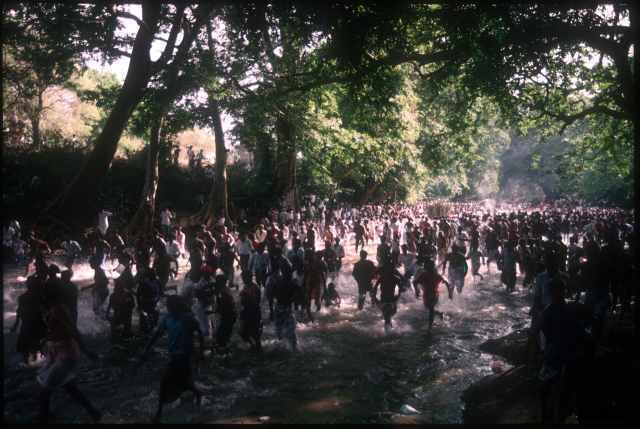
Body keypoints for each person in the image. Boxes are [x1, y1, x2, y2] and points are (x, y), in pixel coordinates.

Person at [37, 285, 101, 423]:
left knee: (45, 390)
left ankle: (44, 418)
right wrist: (46, 342)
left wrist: (86, 351)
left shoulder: (59, 309)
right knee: (69, 387)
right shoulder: (51, 308)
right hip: (56, 352)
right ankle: (93, 412)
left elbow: (73, 330)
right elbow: (54, 330)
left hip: (66, 353)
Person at [140, 295, 204, 423]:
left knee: (165, 381)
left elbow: (200, 333)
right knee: (184, 383)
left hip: (184, 357)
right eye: (168, 307)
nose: (168, 309)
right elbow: (157, 334)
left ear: (177, 307)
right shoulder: (167, 319)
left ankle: (158, 414)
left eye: (170, 307)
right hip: (174, 355)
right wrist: (146, 349)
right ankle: (198, 395)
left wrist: (199, 353)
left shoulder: (187, 319)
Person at [11, 276, 47, 365]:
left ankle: (28, 361)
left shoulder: (23, 297)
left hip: (27, 323)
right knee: (37, 343)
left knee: (26, 345)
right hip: (37, 322)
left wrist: (16, 324)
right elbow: (45, 311)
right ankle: (36, 360)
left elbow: (19, 311)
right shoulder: (40, 297)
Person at [413, 260, 449, 331]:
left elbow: (446, 282)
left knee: (431, 309)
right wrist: (417, 291)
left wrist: (417, 291)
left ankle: (430, 327)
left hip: (434, 294)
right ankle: (439, 314)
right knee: (429, 308)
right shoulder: (425, 274)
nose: (426, 267)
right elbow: (415, 282)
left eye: (427, 266)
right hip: (427, 294)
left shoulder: (434, 275)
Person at [374, 258, 402, 331]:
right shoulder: (383, 278)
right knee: (388, 316)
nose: (388, 270)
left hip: (390, 299)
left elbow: (401, 289)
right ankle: (388, 333)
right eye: (387, 269)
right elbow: (375, 287)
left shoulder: (394, 278)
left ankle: (388, 332)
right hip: (385, 299)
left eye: (390, 268)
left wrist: (397, 298)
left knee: (388, 316)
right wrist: (374, 297)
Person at [106, 278, 136, 343]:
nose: (117, 288)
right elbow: (133, 305)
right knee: (122, 331)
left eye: (118, 286)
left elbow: (132, 305)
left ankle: (119, 337)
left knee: (122, 331)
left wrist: (107, 314)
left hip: (123, 315)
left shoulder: (125, 295)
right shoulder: (114, 295)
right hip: (122, 315)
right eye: (117, 286)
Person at [214, 275, 237, 349]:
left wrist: (215, 311)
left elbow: (223, 307)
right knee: (225, 336)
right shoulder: (226, 290)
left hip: (228, 316)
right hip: (231, 315)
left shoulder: (223, 293)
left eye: (217, 282)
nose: (215, 283)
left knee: (221, 337)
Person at [239, 280, 263, 352]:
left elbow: (256, 300)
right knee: (244, 332)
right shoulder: (247, 287)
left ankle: (256, 347)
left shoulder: (254, 288)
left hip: (252, 311)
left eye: (244, 277)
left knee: (253, 331)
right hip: (249, 311)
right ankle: (254, 346)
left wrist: (247, 298)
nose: (243, 279)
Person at [137, 269, 161, 334]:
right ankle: (145, 330)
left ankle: (149, 329)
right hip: (147, 303)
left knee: (152, 317)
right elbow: (138, 294)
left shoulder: (157, 282)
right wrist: (139, 305)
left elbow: (160, 292)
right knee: (145, 317)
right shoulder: (144, 283)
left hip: (152, 303)